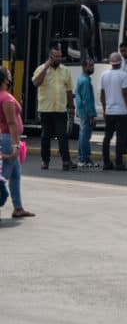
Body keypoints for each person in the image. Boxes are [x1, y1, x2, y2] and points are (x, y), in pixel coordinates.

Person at [32, 47, 75, 171]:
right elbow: (36, 83)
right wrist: (45, 68)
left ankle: (66, 161)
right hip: (46, 109)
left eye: (60, 56)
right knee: (46, 136)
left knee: (63, 136)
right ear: (50, 57)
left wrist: (71, 107)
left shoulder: (65, 71)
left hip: (60, 109)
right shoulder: (41, 69)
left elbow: (69, 90)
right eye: (56, 56)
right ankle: (45, 161)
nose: (58, 59)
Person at [0, 66, 34, 218]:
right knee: (4, 176)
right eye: (8, 73)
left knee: (15, 174)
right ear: (5, 79)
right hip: (9, 139)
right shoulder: (6, 98)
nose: (10, 75)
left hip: (7, 137)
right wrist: (15, 146)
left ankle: (18, 208)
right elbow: (12, 123)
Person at [99, 52, 127, 171]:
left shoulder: (104, 75)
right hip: (121, 111)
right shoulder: (123, 75)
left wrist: (104, 109)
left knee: (107, 137)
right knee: (120, 138)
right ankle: (119, 163)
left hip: (109, 111)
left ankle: (106, 162)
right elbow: (126, 93)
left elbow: (102, 95)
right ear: (120, 62)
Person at [74, 57, 99, 168]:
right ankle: (85, 159)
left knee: (82, 135)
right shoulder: (85, 81)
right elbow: (87, 100)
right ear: (84, 67)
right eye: (90, 66)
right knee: (85, 136)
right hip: (86, 113)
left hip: (82, 111)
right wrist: (91, 116)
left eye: (93, 65)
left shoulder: (82, 79)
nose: (92, 68)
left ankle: (82, 158)